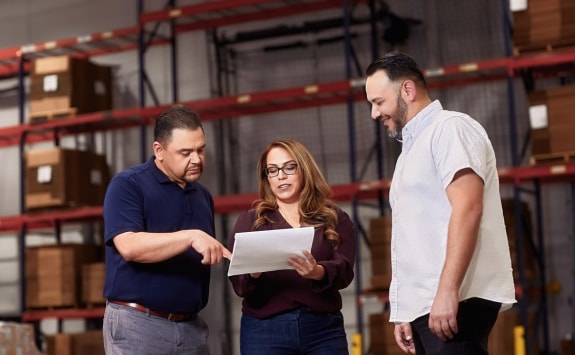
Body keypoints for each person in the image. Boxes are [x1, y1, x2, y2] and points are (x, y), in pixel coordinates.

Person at [364, 51, 516, 354]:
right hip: (429, 305)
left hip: (457, 299)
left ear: (407, 89)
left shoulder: (450, 129)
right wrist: (405, 309)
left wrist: (448, 292)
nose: (374, 113)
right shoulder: (410, 150)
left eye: (378, 102)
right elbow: (412, 236)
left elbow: (469, 208)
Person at [102, 105, 231, 355]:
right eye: (186, 152)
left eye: (201, 150)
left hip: (192, 327)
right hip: (138, 326)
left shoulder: (202, 196)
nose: (197, 159)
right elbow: (128, 246)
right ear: (159, 150)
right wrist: (191, 236)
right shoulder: (128, 186)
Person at [228, 139, 356, 354]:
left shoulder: (335, 218)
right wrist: (253, 272)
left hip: (323, 329)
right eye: (273, 170)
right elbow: (239, 285)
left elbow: (345, 271)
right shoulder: (251, 221)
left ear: (304, 169)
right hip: (264, 330)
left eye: (289, 167)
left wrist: (318, 272)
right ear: (266, 178)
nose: (281, 176)